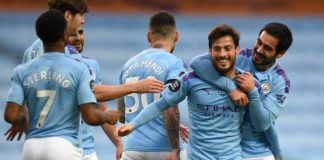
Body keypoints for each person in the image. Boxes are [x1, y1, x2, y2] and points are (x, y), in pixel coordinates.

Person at [115, 24, 265, 159]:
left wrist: (252, 93)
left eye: (227, 48)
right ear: (210, 51)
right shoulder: (191, 80)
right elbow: (161, 104)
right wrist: (132, 125)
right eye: (217, 49)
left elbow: (261, 125)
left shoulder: (249, 85)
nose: (222, 54)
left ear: (237, 50)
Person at [4, 9, 118, 160]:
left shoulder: (22, 70)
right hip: (63, 145)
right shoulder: (78, 68)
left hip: (31, 146)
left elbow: (10, 115)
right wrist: (107, 116)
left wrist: (21, 119)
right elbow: (90, 116)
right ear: (65, 36)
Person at [190, 22, 293, 160]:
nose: (259, 50)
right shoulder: (239, 57)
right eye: (259, 42)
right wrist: (231, 88)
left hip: (256, 154)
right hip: (225, 151)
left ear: (280, 53)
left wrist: (253, 92)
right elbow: (196, 63)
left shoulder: (280, 81)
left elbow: (263, 124)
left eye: (267, 48)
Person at [117, 11, 187, 160]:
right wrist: (175, 147)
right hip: (163, 148)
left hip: (131, 149)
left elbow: (122, 114)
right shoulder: (174, 63)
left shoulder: (128, 65)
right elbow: (170, 108)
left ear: (149, 36)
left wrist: (120, 144)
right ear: (176, 36)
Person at [67, 26, 123, 160]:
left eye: (80, 33)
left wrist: (119, 143)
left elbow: (101, 109)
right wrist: (134, 87)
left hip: (88, 151)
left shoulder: (92, 65)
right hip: (65, 148)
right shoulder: (57, 66)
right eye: (72, 35)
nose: (78, 38)